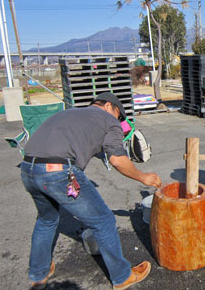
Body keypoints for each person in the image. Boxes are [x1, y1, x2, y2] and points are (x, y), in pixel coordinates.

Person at [20, 92, 162, 289]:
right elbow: (117, 160)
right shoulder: (108, 120)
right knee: (104, 221)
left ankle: (38, 272)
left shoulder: (71, 113)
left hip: (28, 168)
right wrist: (143, 176)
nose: (118, 120)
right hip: (59, 171)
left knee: (46, 220)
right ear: (109, 106)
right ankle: (122, 277)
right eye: (119, 115)